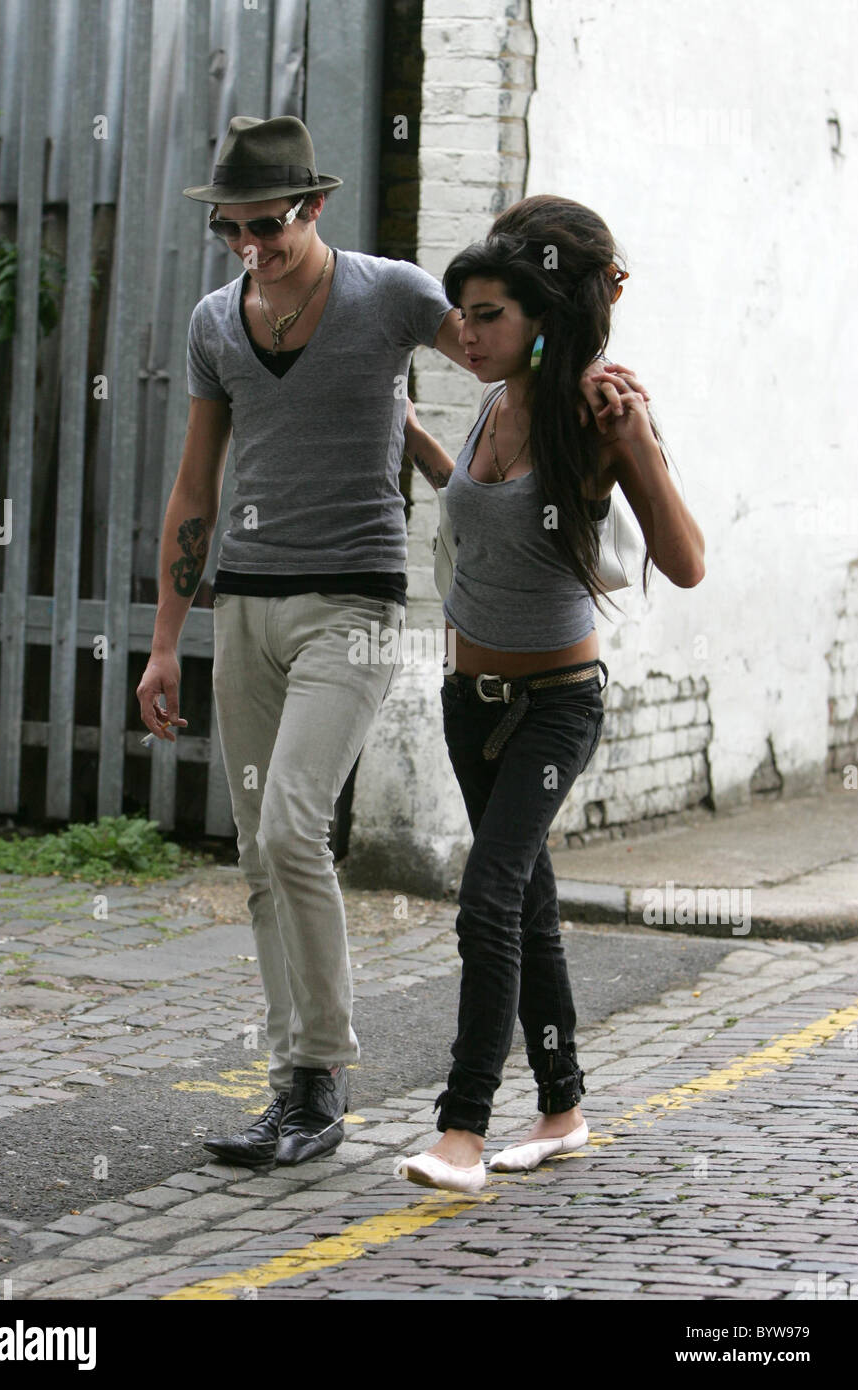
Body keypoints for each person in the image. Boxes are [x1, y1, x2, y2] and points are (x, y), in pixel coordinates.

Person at [136, 118, 641, 1170]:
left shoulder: (394, 292)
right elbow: (195, 488)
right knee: (259, 852)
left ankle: (325, 1076)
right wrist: (163, 642)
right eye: (231, 230)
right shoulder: (214, 323)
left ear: (313, 208)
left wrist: (595, 382)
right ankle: (300, 1087)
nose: (250, 248)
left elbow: (509, 343)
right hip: (243, 603)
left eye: (267, 225)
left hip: (356, 604)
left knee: (291, 828)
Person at [395, 194, 705, 1193]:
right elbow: (487, 521)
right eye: (468, 315)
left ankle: (461, 1130)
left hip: (554, 702)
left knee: (487, 894)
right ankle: (563, 1105)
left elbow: (686, 561)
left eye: (491, 315)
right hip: (467, 697)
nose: (469, 334)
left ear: (540, 308)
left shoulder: (596, 410)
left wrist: (642, 443)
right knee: (525, 905)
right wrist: (412, 435)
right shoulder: (495, 393)